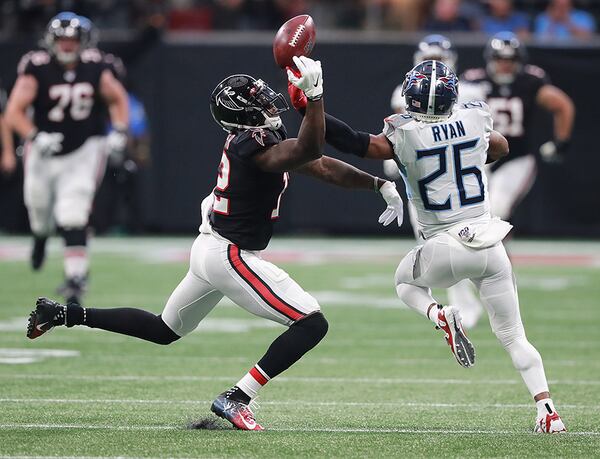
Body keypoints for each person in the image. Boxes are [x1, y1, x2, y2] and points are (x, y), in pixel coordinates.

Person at [26, 56, 404, 431]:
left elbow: (319, 164)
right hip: (229, 253)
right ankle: (238, 397)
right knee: (312, 323)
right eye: (259, 100)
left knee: (164, 330)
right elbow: (308, 151)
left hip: (212, 247)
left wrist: (378, 184)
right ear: (245, 115)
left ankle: (65, 314)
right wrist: (316, 96)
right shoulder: (252, 146)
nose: (270, 103)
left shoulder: (260, 140)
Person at [287, 59, 566, 433]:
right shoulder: (475, 117)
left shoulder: (402, 133)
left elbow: (352, 141)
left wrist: (310, 103)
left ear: (410, 97)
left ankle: (439, 315)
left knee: (405, 282)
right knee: (515, 336)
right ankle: (548, 411)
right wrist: (465, 151)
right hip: (491, 243)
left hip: (445, 245)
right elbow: (498, 147)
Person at [5, 12, 129, 304]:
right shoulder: (37, 67)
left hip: (85, 147)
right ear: (51, 41)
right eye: (62, 39)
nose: (68, 45)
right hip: (43, 149)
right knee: (39, 212)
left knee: (73, 213)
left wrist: (120, 131)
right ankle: (40, 238)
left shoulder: (98, 66)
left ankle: (75, 278)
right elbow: (13, 111)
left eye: (73, 40)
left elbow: (118, 99)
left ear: (84, 42)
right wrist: (35, 136)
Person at [386, 34, 484, 329]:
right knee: (431, 241)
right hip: (427, 178)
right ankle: (462, 303)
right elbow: (399, 130)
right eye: (429, 60)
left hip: (460, 178)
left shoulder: (469, 91)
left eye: (439, 61)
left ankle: (477, 300)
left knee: (470, 241)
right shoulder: (405, 89)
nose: (434, 67)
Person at [461, 32, 575, 222]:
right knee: (472, 213)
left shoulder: (529, 81)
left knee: (497, 208)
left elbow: (562, 105)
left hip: (516, 157)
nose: (505, 64)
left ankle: (494, 251)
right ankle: (491, 251)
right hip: (479, 158)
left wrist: (561, 142)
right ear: (490, 59)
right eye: (500, 59)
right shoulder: (473, 82)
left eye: (511, 59)